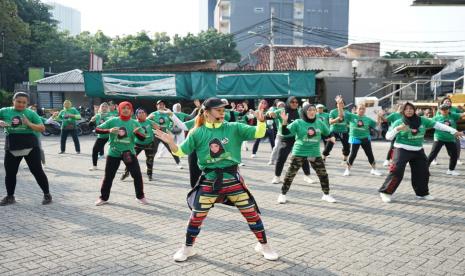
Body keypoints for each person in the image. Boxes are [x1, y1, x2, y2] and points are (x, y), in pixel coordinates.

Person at [155, 97, 278, 262]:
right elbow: (181, 152)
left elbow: (258, 133)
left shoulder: (233, 127)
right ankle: (187, 248)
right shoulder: (197, 132)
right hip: (209, 180)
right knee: (197, 216)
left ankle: (264, 246)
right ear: (206, 112)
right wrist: (171, 143)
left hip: (232, 180)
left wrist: (261, 122)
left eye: (224, 108)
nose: (222, 111)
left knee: (251, 213)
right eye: (218, 109)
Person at [378, 102, 463, 203]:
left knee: (422, 172)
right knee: (397, 171)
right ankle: (385, 192)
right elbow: (388, 137)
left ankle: (422, 193)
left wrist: (454, 131)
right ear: (403, 111)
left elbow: (439, 125)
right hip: (401, 149)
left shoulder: (422, 120)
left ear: (414, 110)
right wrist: (398, 129)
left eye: (411, 108)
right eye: (406, 109)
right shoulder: (399, 122)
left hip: (417, 150)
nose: (409, 110)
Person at [277, 104, 337, 204]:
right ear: (305, 112)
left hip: (314, 152)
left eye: (314, 110)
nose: (312, 112)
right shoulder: (298, 122)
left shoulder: (319, 123)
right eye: (309, 110)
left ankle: (326, 195)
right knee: (290, 174)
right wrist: (284, 121)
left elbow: (327, 133)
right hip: (299, 152)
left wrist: (332, 137)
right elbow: (285, 132)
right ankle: (282, 195)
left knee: (323, 174)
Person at [0, 92, 52, 206]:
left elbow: (42, 128)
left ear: (27, 103)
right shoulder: (4, 111)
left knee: (37, 171)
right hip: (12, 145)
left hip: (30, 145)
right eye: (18, 102)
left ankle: (47, 195)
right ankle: (10, 197)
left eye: (24, 102)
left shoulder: (30, 113)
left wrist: (29, 123)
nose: (21, 104)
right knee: (10, 173)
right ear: (13, 101)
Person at [94, 102, 148, 206]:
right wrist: (109, 130)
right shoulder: (113, 120)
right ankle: (103, 198)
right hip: (114, 152)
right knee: (109, 176)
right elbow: (97, 129)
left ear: (131, 111)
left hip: (129, 152)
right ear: (120, 109)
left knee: (137, 175)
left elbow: (143, 138)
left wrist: (137, 133)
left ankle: (140, 196)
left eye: (128, 108)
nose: (126, 110)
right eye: (124, 108)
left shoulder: (134, 123)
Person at [267, 97, 314, 184]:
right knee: (282, 157)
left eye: (296, 102)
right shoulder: (282, 110)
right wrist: (270, 113)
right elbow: (270, 114)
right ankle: (277, 176)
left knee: (303, 157)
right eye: (292, 102)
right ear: (288, 103)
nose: (294, 103)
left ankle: (307, 176)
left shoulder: (300, 112)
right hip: (285, 138)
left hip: (297, 138)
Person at [336, 97, 382, 177]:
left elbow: (377, 125)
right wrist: (339, 105)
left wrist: (379, 116)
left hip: (365, 138)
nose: (361, 110)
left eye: (363, 109)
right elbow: (341, 115)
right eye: (360, 108)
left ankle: (374, 169)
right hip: (355, 138)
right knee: (353, 154)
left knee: (369, 154)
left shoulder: (367, 119)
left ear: (365, 110)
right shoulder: (352, 116)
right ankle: (347, 169)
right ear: (356, 109)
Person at [121, 108, 159, 181]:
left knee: (150, 160)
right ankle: (126, 172)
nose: (141, 113)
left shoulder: (149, 121)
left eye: (143, 112)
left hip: (149, 143)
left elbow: (158, 127)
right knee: (130, 159)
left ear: (146, 114)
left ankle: (149, 174)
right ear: (136, 115)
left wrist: (155, 125)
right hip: (137, 144)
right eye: (139, 112)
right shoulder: (134, 123)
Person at [427, 104, 465, 176]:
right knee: (433, 154)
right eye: (442, 109)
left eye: (446, 109)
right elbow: (428, 123)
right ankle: (424, 169)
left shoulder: (453, 116)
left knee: (454, 155)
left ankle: (451, 170)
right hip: (439, 138)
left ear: (448, 109)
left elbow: (462, 114)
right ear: (440, 110)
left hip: (450, 139)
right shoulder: (436, 118)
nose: (444, 110)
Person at [148, 100, 184, 169]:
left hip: (165, 135)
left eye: (162, 104)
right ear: (157, 106)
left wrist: (170, 128)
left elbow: (173, 122)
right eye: (159, 104)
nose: (161, 106)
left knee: (172, 149)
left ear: (164, 106)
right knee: (153, 151)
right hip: (156, 134)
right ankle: (149, 166)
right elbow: (146, 121)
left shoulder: (167, 113)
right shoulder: (153, 114)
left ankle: (179, 163)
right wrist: (149, 119)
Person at [322, 98, 351, 163]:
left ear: (344, 105)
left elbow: (350, 123)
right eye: (339, 103)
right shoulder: (333, 111)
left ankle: (345, 159)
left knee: (347, 146)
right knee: (329, 145)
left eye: (342, 103)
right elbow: (330, 122)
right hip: (334, 131)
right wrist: (338, 118)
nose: (341, 104)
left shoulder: (347, 112)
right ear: (337, 104)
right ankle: (323, 158)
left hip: (344, 131)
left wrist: (349, 125)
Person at [89, 102, 111, 170]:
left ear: (108, 108)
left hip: (110, 135)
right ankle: (94, 166)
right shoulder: (98, 115)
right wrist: (91, 121)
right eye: (102, 106)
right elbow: (90, 126)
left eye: (105, 106)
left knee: (116, 151)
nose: (104, 108)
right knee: (95, 150)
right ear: (100, 108)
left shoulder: (111, 115)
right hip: (101, 136)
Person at [267, 101, 286, 165]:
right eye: (279, 106)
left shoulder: (287, 111)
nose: (281, 107)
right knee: (276, 147)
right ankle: (272, 160)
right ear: (277, 107)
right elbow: (269, 113)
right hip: (280, 133)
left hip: (290, 134)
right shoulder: (277, 112)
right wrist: (270, 112)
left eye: (282, 105)